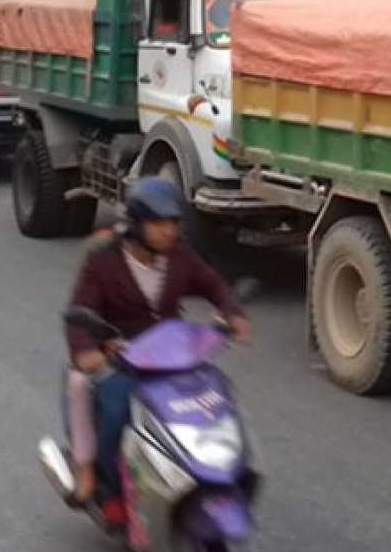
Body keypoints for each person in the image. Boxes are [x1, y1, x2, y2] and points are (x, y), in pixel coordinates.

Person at [64, 176, 252, 527]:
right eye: (159, 224)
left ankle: (213, 468)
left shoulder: (179, 254)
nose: (169, 232)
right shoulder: (103, 260)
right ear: (137, 224)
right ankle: (111, 490)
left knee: (212, 397)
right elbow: (78, 314)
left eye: (174, 223)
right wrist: (90, 351)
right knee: (119, 407)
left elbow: (211, 282)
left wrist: (232, 311)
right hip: (119, 356)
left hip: (170, 352)